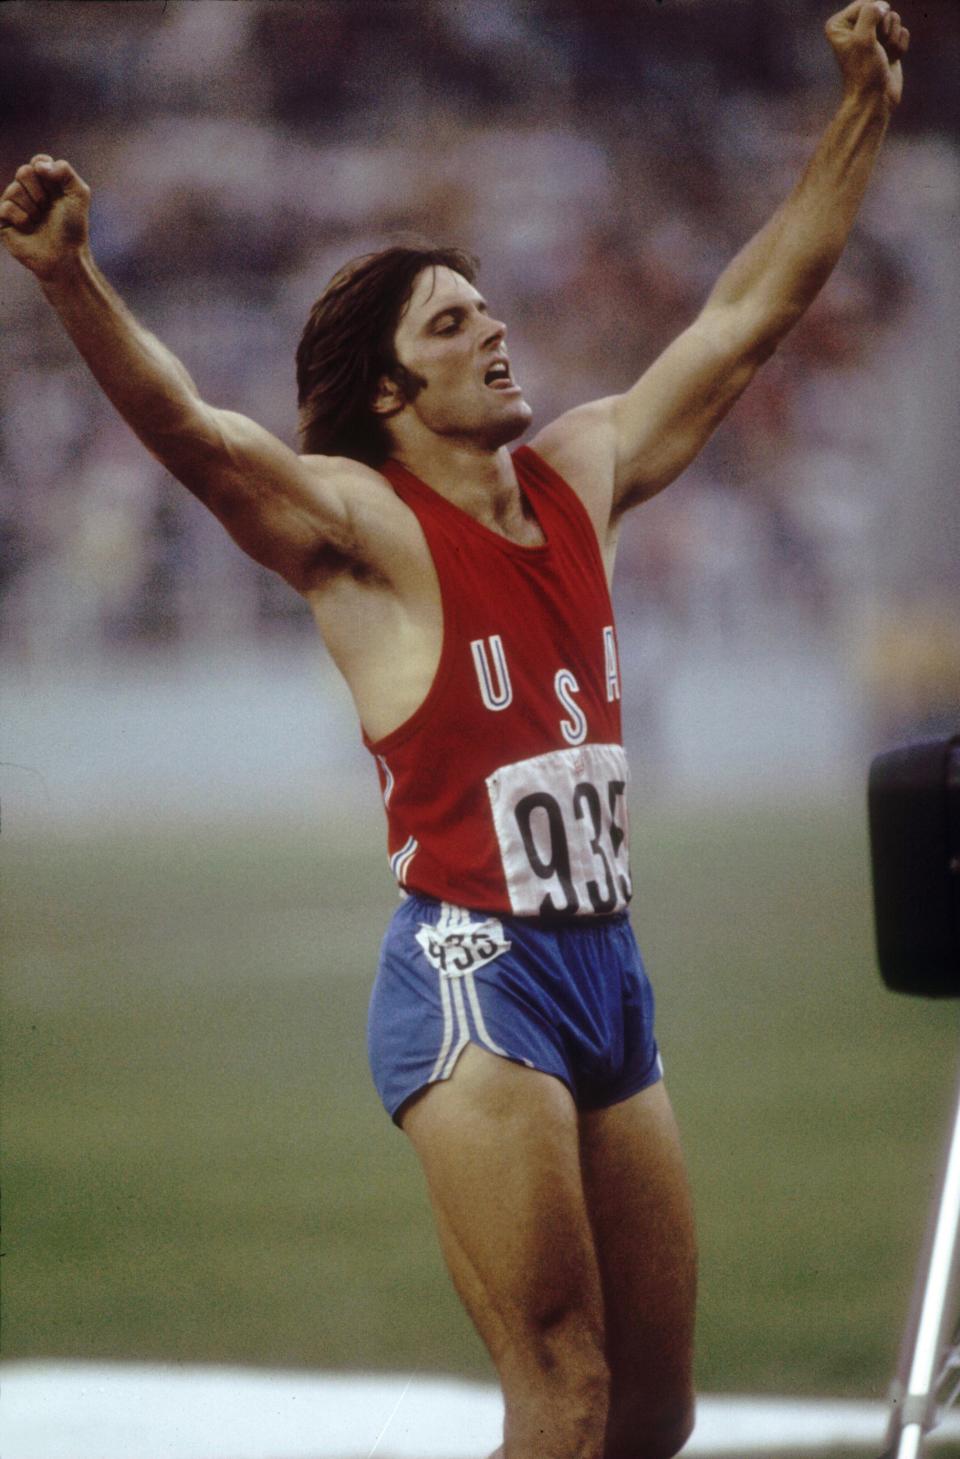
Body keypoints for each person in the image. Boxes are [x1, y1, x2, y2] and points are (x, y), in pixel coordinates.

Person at [0, 5, 909, 1455]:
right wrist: (72, 284)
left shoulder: (582, 472)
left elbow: (749, 319)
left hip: (608, 970)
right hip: (477, 981)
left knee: (657, 1417)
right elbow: (195, 437)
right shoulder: (366, 528)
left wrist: (866, 103)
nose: (494, 327)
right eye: (450, 323)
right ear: (386, 390)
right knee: (565, 1389)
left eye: (487, 307)